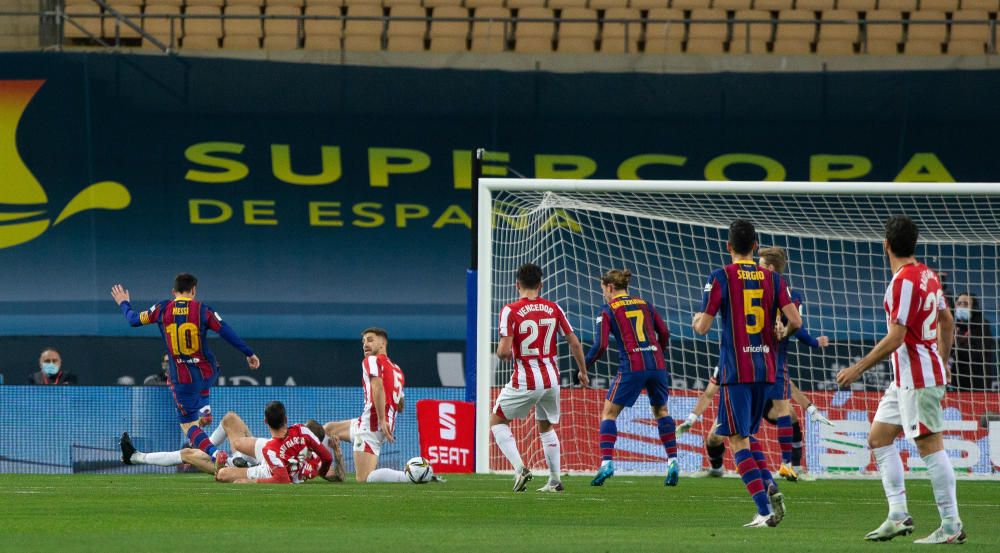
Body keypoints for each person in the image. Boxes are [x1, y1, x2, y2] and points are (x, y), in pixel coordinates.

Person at [836, 215, 964, 544]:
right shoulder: (929, 276)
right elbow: (946, 321)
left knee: (929, 446)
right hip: (906, 377)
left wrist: (857, 368)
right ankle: (898, 515)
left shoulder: (903, 282)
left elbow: (896, 337)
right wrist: (944, 361)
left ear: (886, 245)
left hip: (918, 378)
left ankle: (951, 524)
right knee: (879, 438)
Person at [692, 219, 801, 528]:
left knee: (738, 441)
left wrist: (696, 319)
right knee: (748, 436)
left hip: (736, 370)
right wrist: (781, 332)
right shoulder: (774, 279)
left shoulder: (721, 276)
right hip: (766, 370)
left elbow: (702, 328)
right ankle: (770, 484)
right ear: (756, 246)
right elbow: (795, 321)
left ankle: (763, 510)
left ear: (729, 247)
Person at [113, 273, 260, 469]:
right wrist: (248, 353)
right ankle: (205, 409)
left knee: (190, 429)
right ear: (194, 291)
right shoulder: (203, 310)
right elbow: (225, 330)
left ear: (174, 292)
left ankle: (216, 454)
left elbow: (133, 320)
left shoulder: (163, 308)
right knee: (210, 367)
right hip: (208, 372)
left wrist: (124, 303)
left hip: (182, 379)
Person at [490, 263, 588, 493]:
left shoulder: (510, 310)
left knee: (497, 421)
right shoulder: (554, 308)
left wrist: (509, 349)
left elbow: (503, 352)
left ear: (517, 285)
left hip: (527, 378)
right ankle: (554, 480)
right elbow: (574, 342)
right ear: (541, 285)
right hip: (552, 379)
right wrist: (582, 371)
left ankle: (520, 468)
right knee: (545, 426)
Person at [586, 269, 678, 487]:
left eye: (603, 290)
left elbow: (601, 345)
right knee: (661, 411)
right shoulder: (645, 304)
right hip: (656, 364)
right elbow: (664, 332)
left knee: (609, 413)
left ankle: (607, 463)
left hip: (632, 365)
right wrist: (659, 353)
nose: (604, 295)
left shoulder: (608, 309)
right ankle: (673, 461)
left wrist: (584, 366)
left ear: (609, 287)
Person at [677, 367, 834, 480]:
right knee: (713, 439)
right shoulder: (725, 365)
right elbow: (708, 394)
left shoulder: (764, 359)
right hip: (738, 405)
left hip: (764, 401)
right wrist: (691, 419)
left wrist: (811, 409)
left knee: (789, 414)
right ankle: (716, 469)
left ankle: (797, 467)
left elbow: (788, 386)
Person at [757, 246, 829, 481]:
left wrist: (783, 331)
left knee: (771, 411)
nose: (757, 268)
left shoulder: (754, 289)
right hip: (775, 360)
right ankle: (786, 464)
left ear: (769, 268)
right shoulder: (791, 294)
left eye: (760, 264)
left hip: (753, 357)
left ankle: (781, 464)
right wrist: (813, 342)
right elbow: (797, 327)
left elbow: (794, 326)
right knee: (783, 410)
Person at [323, 327, 407, 483]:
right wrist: (387, 417)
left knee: (364, 480)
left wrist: (382, 419)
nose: (365, 345)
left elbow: (378, 386)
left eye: (370, 340)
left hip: (371, 427)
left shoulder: (371, 360)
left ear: (382, 343)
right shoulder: (397, 370)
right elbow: (400, 404)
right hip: (368, 423)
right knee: (328, 429)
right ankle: (324, 471)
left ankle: (408, 476)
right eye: (363, 342)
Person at [215, 402, 336, 484]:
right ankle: (242, 461)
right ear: (286, 419)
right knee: (238, 444)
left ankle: (241, 464)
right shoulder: (302, 430)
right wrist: (322, 472)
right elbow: (327, 458)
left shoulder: (270, 449)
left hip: (268, 471)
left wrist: (252, 481)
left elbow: (282, 479)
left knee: (222, 474)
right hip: (276, 455)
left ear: (265, 421)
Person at [952, 292, 996, 391]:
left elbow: (979, 355)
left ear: (973, 308)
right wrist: (952, 343)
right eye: (959, 304)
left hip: (978, 382)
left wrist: (959, 344)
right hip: (957, 381)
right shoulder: (953, 325)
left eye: (966, 304)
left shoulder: (982, 325)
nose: (962, 306)